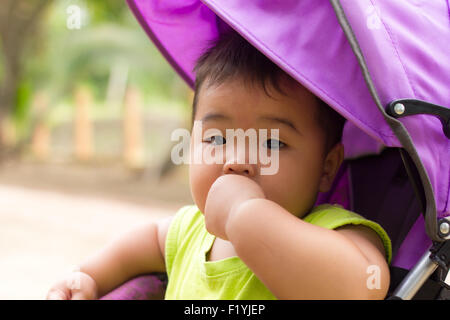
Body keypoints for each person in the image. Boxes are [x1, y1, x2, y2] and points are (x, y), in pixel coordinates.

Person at [46, 30, 392, 300]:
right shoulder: (189, 232)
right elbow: (142, 243)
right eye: (216, 139)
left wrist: (247, 215)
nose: (237, 160)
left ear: (327, 167)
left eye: (272, 143)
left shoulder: (333, 231)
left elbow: (361, 285)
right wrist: (87, 276)